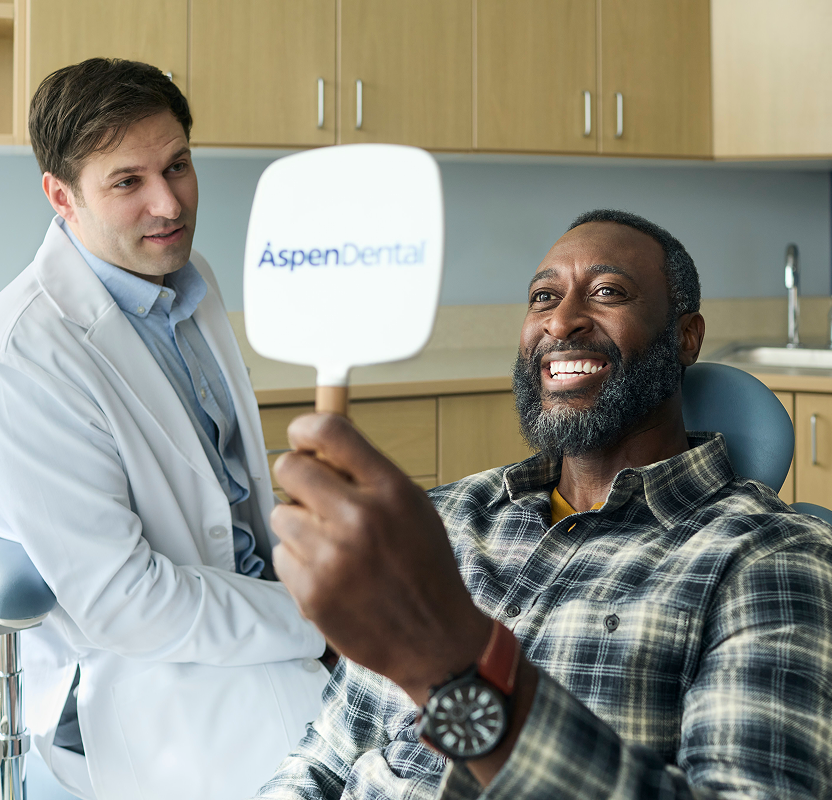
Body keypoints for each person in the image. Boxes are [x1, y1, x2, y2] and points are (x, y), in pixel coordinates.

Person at [255, 210, 832, 800]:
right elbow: (321, 761)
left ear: (686, 336)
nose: (562, 320)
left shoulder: (771, 560)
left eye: (607, 292)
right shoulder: (444, 521)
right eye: (543, 297)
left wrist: (455, 664)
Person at [0, 59, 329, 800]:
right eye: (128, 182)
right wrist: (312, 622)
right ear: (62, 197)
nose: (168, 203)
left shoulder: (189, 277)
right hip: (140, 679)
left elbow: (228, 491)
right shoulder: (25, 351)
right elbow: (124, 602)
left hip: (256, 615)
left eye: (177, 165)